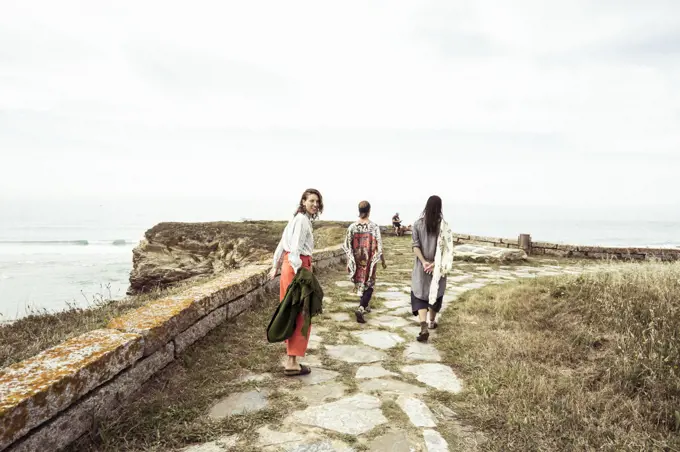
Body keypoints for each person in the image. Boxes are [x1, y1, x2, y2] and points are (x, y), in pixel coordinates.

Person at [269, 188, 323, 376]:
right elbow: (295, 249)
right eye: (312, 201)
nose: (315, 205)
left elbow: (282, 243)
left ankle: (291, 358)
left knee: (291, 311)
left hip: (289, 267)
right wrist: (301, 271)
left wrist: (275, 265)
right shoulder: (301, 220)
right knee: (301, 313)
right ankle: (292, 362)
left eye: (317, 202)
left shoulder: (297, 218)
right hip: (297, 267)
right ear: (303, 201)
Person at [410, 195, 454, 342]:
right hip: (437, 267)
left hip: (421, 267)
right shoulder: (444, 226)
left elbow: (415, 246)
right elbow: (448, 249)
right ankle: (431, 322)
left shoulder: (417, 224)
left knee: (419, 295)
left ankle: (423, 325)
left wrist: (423, 262)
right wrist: (434, 263)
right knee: (435, 293)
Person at [342, 201, 387, 323]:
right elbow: (379, 246)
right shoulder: (374, 227)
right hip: (369, 260)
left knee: (361, 282)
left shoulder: (352, 227)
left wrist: (348, 262)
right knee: (369, 284)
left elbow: (348, 247)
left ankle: (365, 305)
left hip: (356, 260)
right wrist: (382, 260)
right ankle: (361, 308)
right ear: (369, 211)